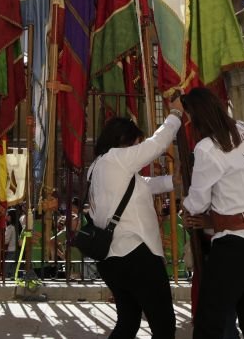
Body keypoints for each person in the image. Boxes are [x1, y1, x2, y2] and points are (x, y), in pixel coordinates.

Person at [180, 87, 244, 339]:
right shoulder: (243, 129)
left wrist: (186, 205)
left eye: (189, 117)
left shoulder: (206, 148)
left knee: (209, 323)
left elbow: (197, 203)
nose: (189, 122)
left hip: (235, 242)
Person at [89, 108, 182, 339]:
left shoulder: (98, 165)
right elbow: (157, 144)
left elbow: (142, 184)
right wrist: (175, 115)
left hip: (111, 258)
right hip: (136, 255)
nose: (138, 149)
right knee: (163, 324)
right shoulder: (117, 158)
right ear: (124, 141)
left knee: (128, 322)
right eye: (136, 144)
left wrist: (171, 181)